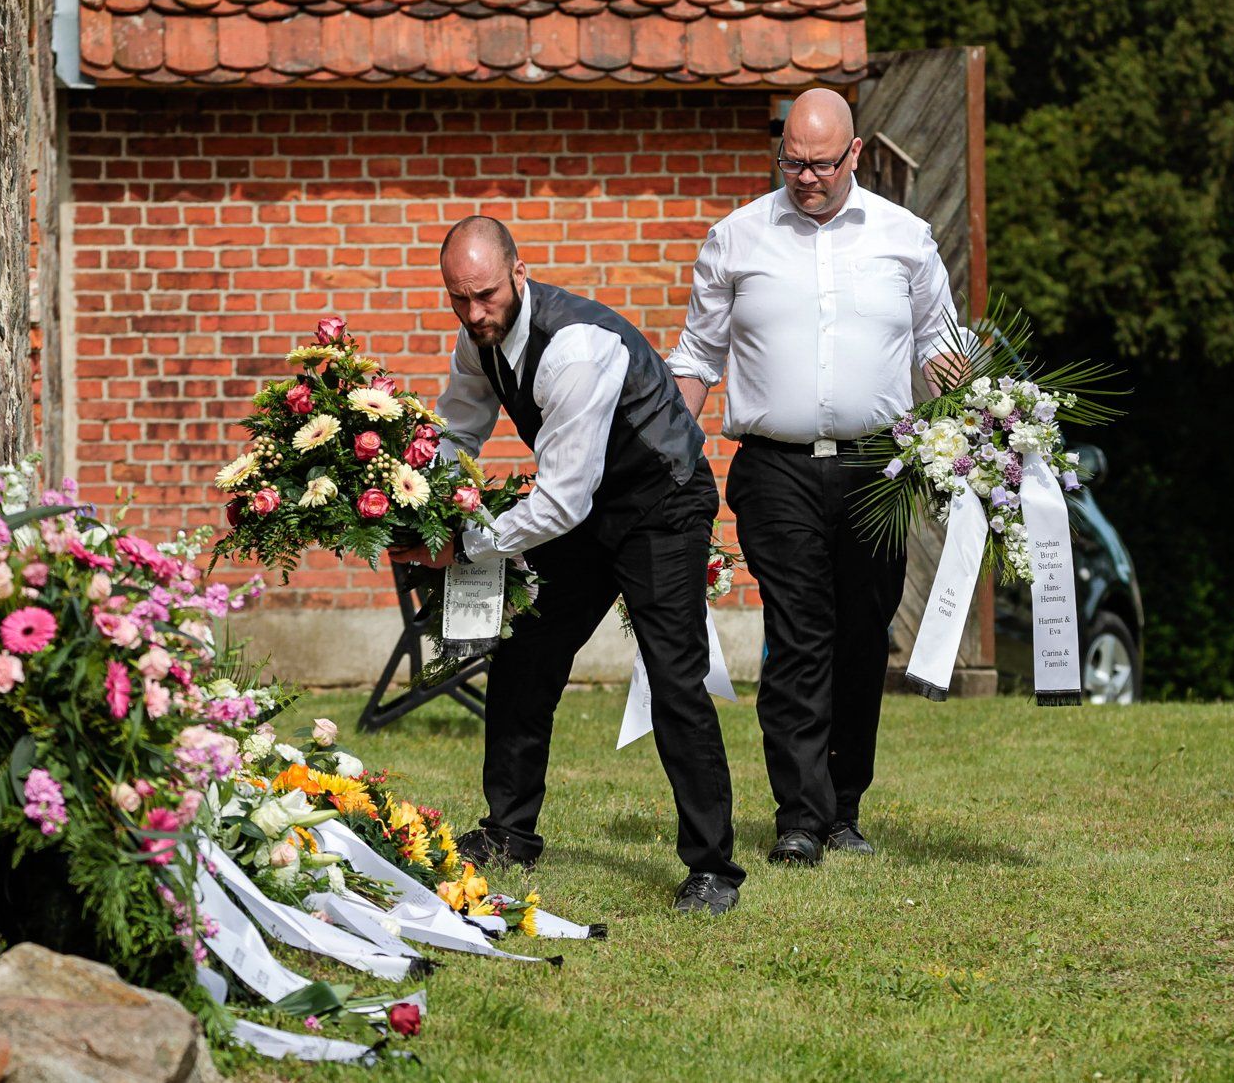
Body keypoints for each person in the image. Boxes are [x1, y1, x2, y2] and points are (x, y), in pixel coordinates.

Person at [388, 216, 745, 914]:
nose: (475, 312)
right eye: (459, 298)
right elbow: (457, 430)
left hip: (658, 503)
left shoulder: (573, 349)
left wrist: (460, 546)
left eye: (486, 294)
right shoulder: (478, 339)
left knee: (675, 675)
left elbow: (560, 501)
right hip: (584, 507)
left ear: (519, 273)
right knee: (526, 652)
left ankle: (713, 868)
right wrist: (410, 499)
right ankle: (508, 830)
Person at [666, 88, 957, 866]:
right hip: (776, 469)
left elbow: (939, 345)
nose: (806, 177)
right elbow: (697, 357)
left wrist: (981, 429)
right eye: (792, 161)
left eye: (823, 163)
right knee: (799, 634)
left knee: (864, 637)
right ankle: (798, 813)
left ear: (855, 155)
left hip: (877, 468)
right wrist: (661, 442)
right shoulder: (737, 239)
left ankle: (844, 807)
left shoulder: (907, 239)